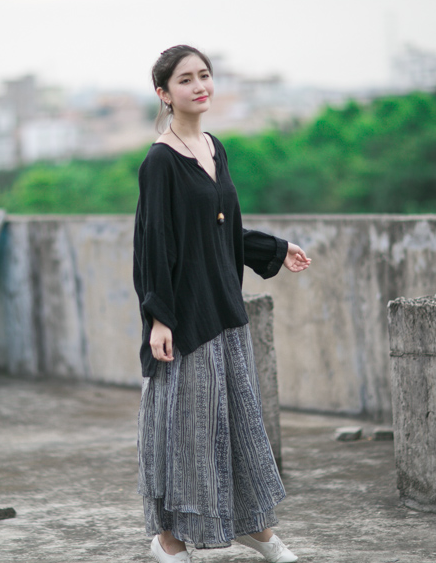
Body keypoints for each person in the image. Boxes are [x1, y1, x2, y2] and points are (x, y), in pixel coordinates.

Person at [133, 45, 311, 563]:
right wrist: (159, 318)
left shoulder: (215, 147)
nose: (199, 86)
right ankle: (169, 539)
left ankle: (255, 528)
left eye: (204, 75)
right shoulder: (160, 161)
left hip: (226, 309)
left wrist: (274, 249)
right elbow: (153, 243)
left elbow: (223, 229)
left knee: (239, 426)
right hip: (187, 318)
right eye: (185, 79)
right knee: (188, 432)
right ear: (164, 94)